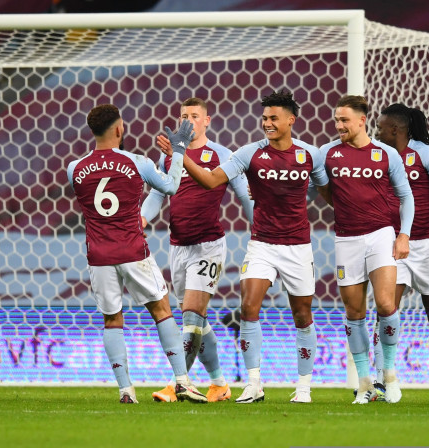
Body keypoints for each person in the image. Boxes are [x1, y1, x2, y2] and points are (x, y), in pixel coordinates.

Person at [177, 90, 329, 404]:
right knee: (248, 308)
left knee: (302, 315)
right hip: (261, 244)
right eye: (264, 118)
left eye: (274, 118)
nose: (267, 123)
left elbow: (328, 193)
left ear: (291, 120)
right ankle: (254, 384)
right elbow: (210, 180)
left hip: (298, 247)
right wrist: (181, 155)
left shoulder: (310, 155)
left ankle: (303, 388)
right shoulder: (249, 153)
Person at [66, 104, 208, 404]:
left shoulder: (74, 168)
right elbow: (170, 186)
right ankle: (182, 382)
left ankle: (125, 390)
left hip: (98, 255)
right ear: (119, 129)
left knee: (112, 319)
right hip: (132, 250)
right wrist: (179, 150)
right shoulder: (138, 162)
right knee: (161, 311)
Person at [141, 97, 254, 403]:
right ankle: (219, 384)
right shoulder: (169, 157)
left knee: (191, 315)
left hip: (209, 246)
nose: (187, 121)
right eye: (183, 116)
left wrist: (261, 229)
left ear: (207, 121)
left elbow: (245, 195)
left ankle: (180, 383)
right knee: (197, 321)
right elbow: (156, 194)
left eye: (194, 116)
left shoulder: (221, 154)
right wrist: (140, 218)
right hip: (178, 246)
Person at [317, 95, 414, 404]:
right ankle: (364, 384)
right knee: (354, 313)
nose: (339, 125)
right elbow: (306, 187)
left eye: (345, 120)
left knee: (386, 305)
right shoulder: (328, 154)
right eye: (336, 120)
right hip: (346, 240)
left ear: (361, 121)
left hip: (381, 235)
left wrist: (404, 235)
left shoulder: (386, 154)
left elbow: (406, 197)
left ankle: (389, 374)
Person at [375, 103, 429, 402]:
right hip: (393, 244)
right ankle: (381, 380)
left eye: (382, 126)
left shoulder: (425, 152)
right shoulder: (379, 155)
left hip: (426, 245)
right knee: (386, 311)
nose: (377, 130)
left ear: (396, 129)